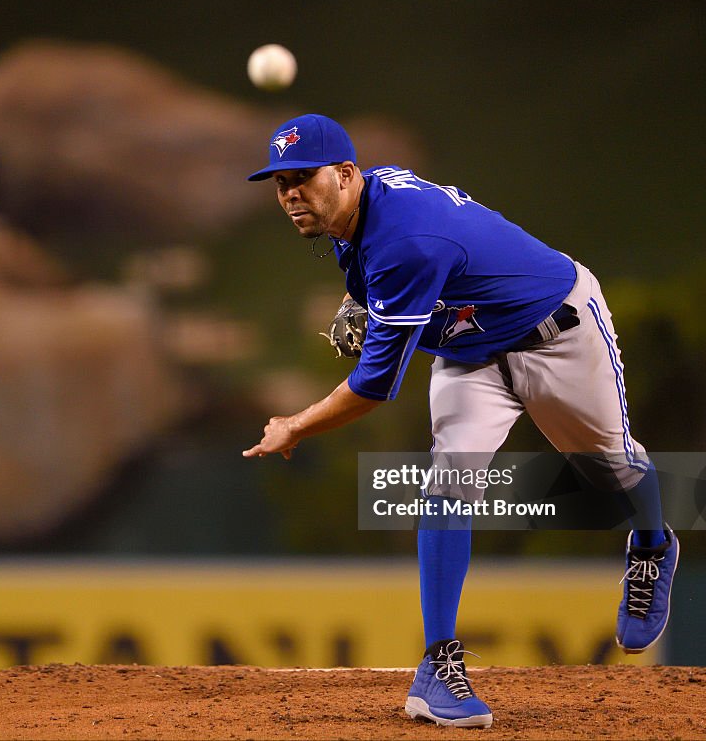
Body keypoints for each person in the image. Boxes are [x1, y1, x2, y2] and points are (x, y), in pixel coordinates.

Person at [241, 114, 679, 729]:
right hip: (468, 349)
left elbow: (372, 389)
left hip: (557, 333)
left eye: (301, 178)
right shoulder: (362, 202)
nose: (289, 193)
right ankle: (438, 668)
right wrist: (367, 297)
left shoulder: (406, 246)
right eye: (279, 181)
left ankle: (654, 545)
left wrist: (295, 425)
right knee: (446, 484)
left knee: (611, 466)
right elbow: (402, 238)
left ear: (345, 174)